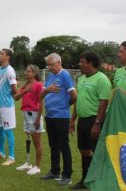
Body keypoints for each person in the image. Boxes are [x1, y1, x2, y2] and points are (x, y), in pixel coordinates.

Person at [69, 51, 112, 189]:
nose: (80, 64)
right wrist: (72, 120)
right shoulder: (82, 79)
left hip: (94, 120)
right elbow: (78, 101)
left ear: (91, 63)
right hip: (82, 120)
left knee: (98, 152)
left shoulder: (102, 79)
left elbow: (104, 102)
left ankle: (101, 181)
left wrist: (97, 124)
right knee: (84, 150)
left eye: (82, 62)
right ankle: (85, 180)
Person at [40, 53, 77, 186]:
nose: (49, 67)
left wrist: (64, 106)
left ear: (58, 63)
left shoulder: (65, 75)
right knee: (53, 145)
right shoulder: (50, 76)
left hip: (61, 117)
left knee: (63, 145)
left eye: (51, 64)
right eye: (48, 65)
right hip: (49, 116)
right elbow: (42, 94)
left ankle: (67, 175)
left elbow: (74, 96)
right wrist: (48, 89)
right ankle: (55, 171)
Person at [15, 65, 44, 175]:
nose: (26, 73)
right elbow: (16, 97)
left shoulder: (38, 85)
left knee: (37, 142)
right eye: (26, 71)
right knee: (28, 139)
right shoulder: (26, 84)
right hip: (26, 114)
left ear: (34, 73)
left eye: (28, 71)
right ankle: (28, 163)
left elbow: (41, 102)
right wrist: (24, 91)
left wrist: (38, 118)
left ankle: (37, 166)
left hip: (34, 114)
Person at [0, 48, 17, 166]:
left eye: (2, 54)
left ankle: (11, 157)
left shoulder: (10, 70)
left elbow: (14, 88)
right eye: (0, 53)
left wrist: (13, 97)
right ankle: (1, 152)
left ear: (7, 57)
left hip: (7, 106)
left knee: (8, 130)